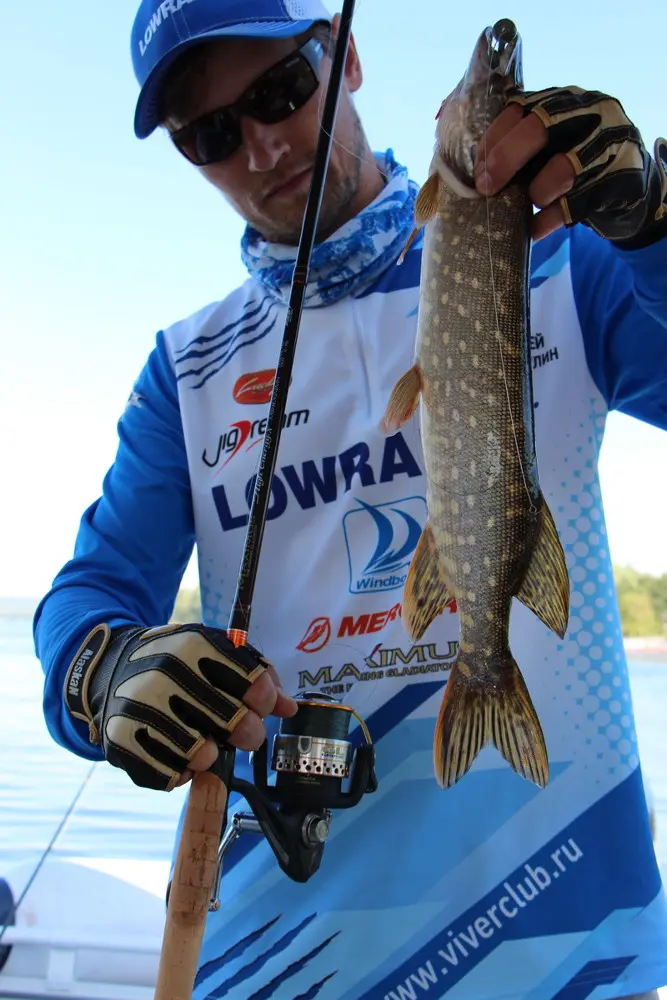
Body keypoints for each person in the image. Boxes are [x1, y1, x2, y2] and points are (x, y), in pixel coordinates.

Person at [34, 1, 667, 998]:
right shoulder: (184, 373)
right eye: (209, 134)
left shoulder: (560, 258)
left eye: (282, 90)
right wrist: (105, 669)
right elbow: (93, 589)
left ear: (349, 56)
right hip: (276, 961)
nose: (261, 145)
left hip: (567, 947)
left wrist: (655, 224)